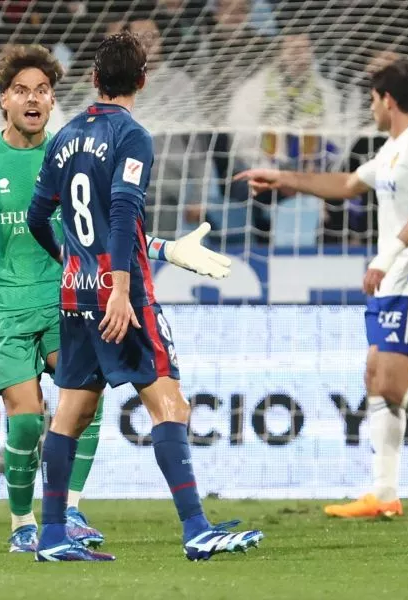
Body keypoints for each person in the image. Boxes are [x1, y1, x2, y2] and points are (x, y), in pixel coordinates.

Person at [0, 44, 231, 553]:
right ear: (3, 100)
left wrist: (163, 248)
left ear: (54, 100)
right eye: (21, 91)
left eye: (43, 91)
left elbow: (96, 232)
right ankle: (21, 522)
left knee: (82, 405)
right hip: (4, 307)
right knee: (30, 416)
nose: (33, 99)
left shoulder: (66, 147)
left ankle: (66, 513)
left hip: (63, 299)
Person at [235, 59, 408, 518]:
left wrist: (385, 259)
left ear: (388, 100)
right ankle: (384, 494)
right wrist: (283, 178)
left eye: (372, 99)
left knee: (390, 381)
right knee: (375, 379)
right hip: (395, 276)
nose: (370, 108)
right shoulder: (391, 150)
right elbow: (346, 184)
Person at [27, 32, 262, 562]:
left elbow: (39, 216)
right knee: (168, 403)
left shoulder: (63, 137)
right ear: (142, 80)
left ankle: (53, 535)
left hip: (75, 294)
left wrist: (72, 262)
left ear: (92, 79)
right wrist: (120, 288)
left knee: (70, 415)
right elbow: (123, 211)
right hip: (121, 298)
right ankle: (197, 528)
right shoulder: (132, 135)